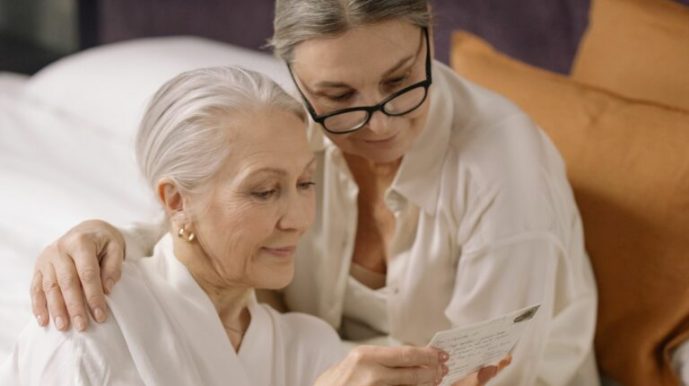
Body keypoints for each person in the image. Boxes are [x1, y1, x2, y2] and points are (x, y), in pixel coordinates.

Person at [29, 1, 600, 385]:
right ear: (297, 79)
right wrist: (106, 239)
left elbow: (492, 373)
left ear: (429, 36)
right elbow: (212, 210)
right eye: (338, 94)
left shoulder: (504, 169)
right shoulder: (289, 131)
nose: (378, 125)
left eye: (400, 81)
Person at [2, 66, 451, 386]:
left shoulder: (306, 349)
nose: (298, 219)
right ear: (176, 201)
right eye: (263, 191)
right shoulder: (87, 328)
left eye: (305, 183)